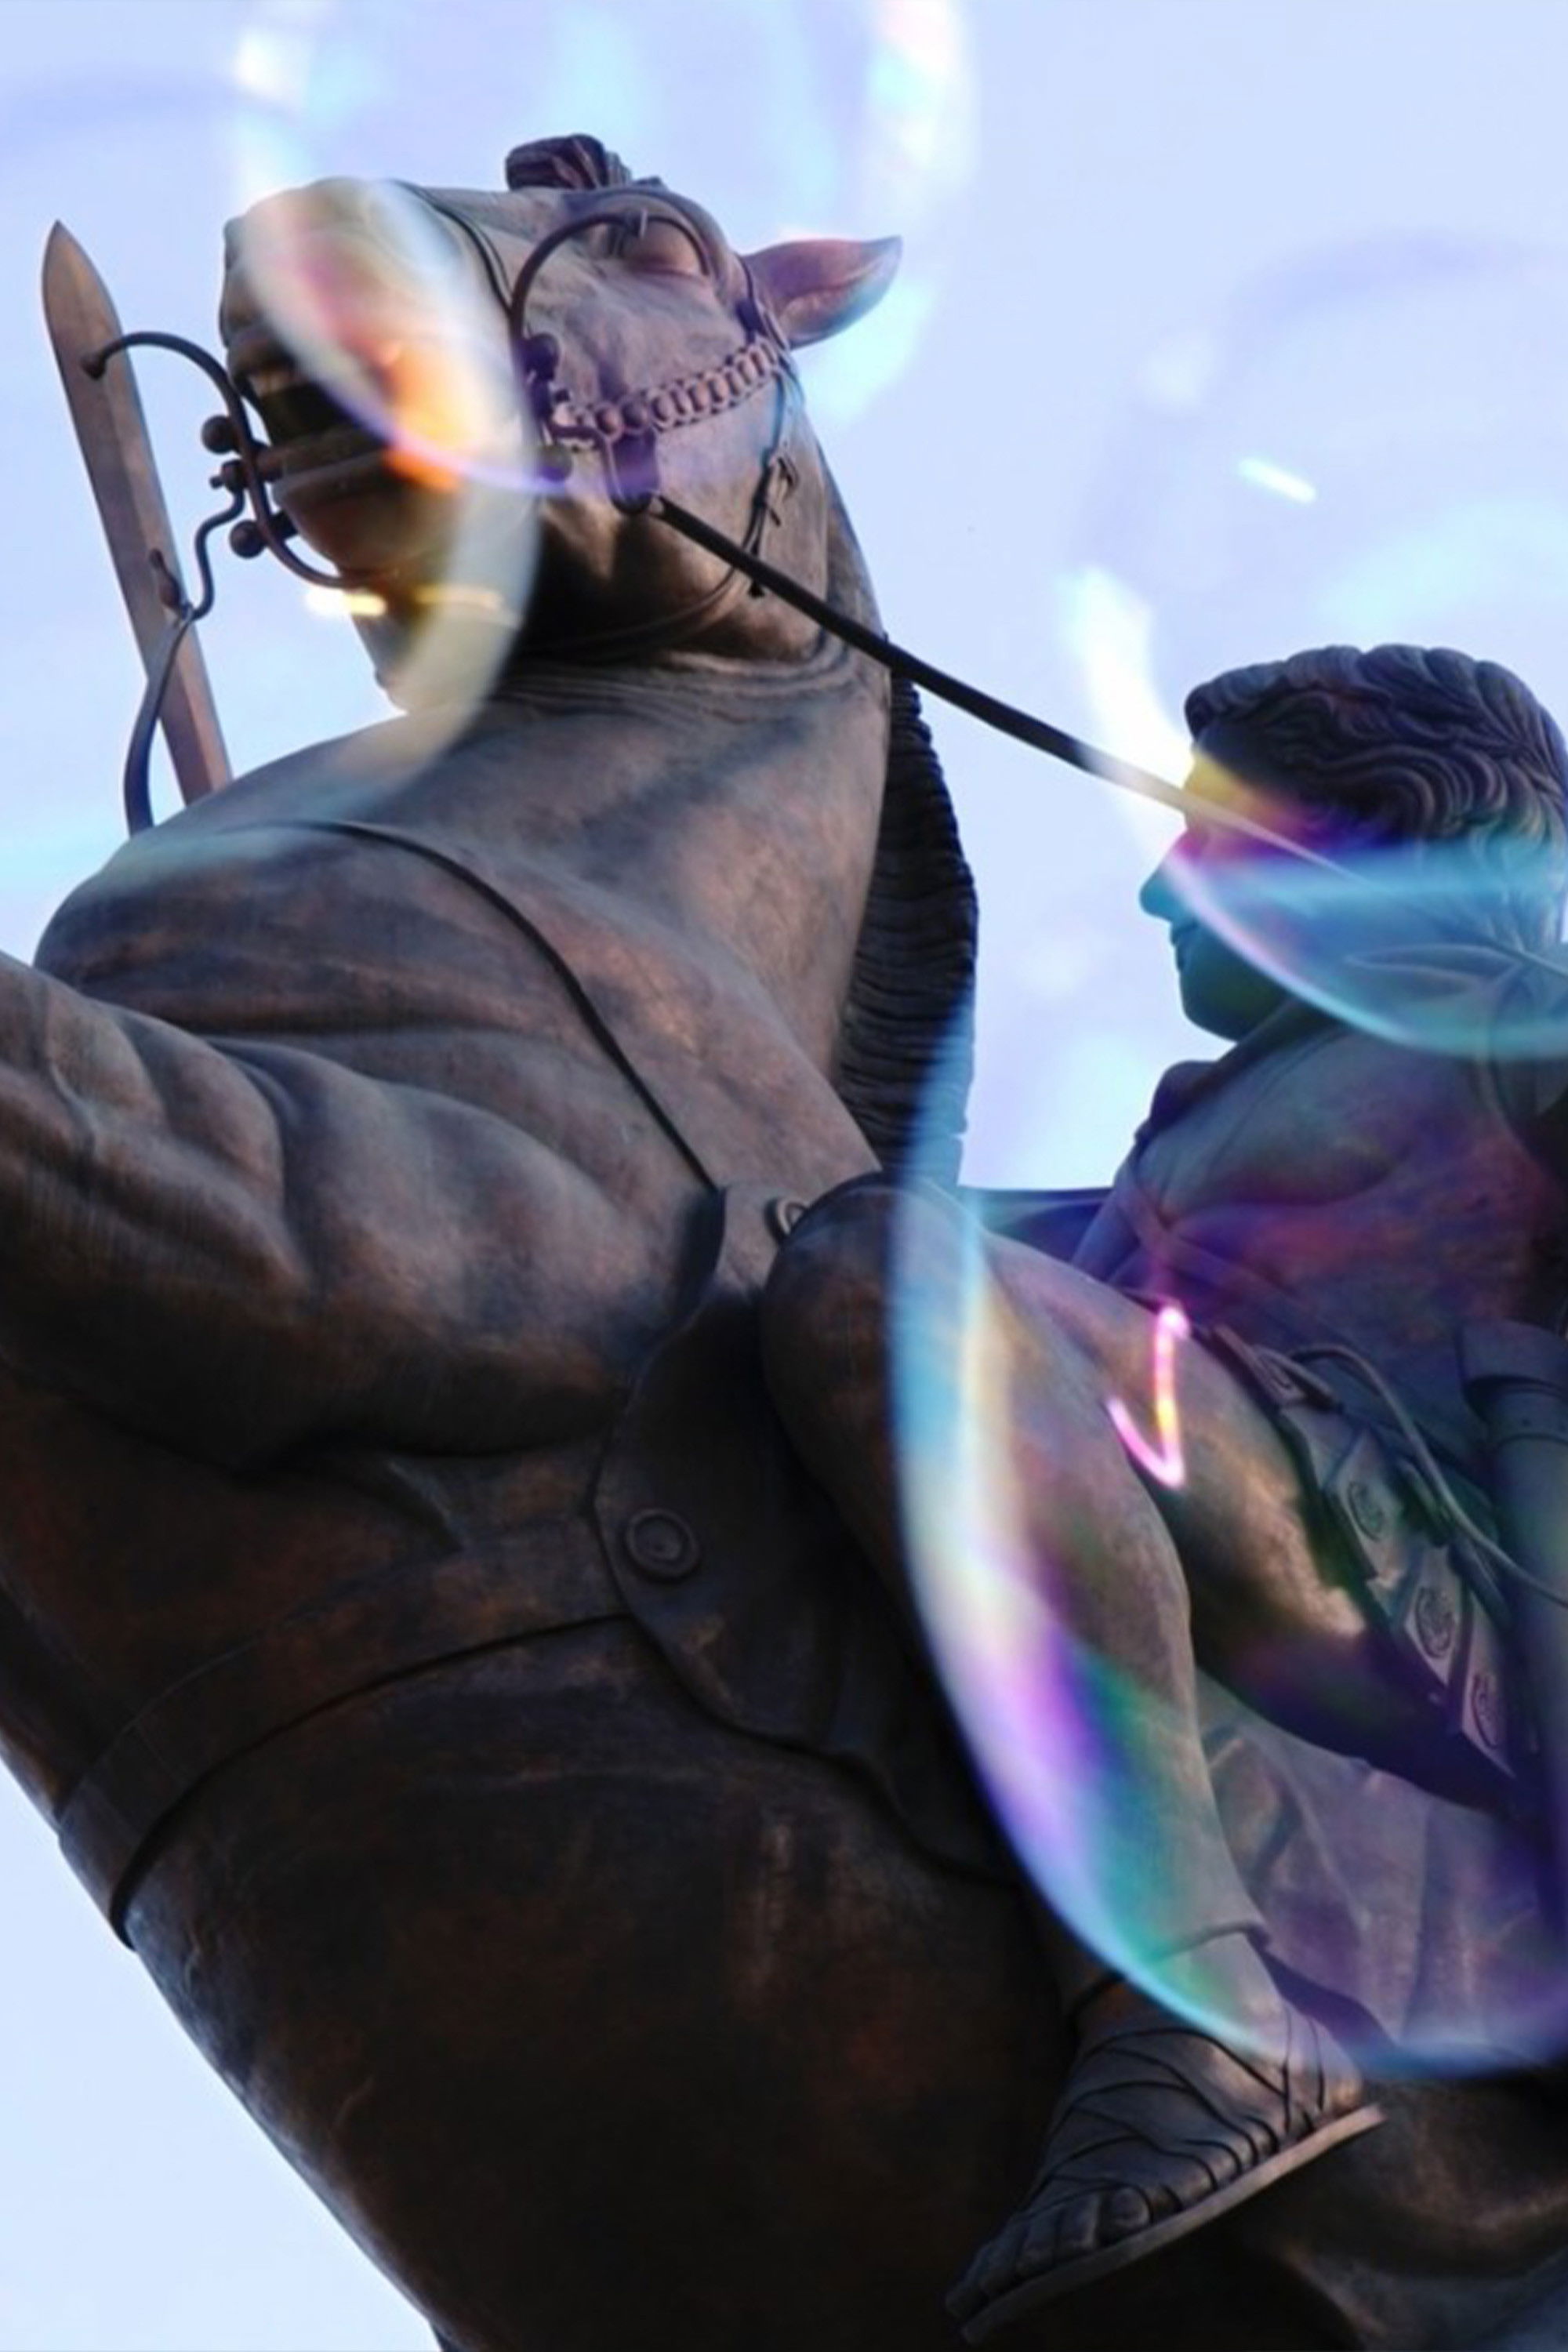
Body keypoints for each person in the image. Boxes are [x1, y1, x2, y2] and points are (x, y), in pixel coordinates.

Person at [759, 642, 1568, 2336]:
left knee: (885, 1279)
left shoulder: (1522, 1030)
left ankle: (1194, 2020)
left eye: (1214, 833)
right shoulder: (1186, 1133)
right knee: (830, 1271)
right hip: (1226, 1488)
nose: (1158, 886)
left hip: (1409, 1567)